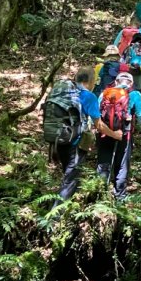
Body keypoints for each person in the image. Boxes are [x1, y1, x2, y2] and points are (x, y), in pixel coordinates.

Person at [52, 66, 101, 206]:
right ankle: (54, 215)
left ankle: (71, 207)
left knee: (69, 175)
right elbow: (99, 125)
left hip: (58, 139)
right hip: (75, 143)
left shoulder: (65, 92)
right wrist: (116, 134)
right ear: (90, 81)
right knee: (70, 181)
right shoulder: (89, 96)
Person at [96, 73, 141, 200]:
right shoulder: (135, 94)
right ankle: (120, 196)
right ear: (131, 83)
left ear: (116, 82)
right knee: (122, 164)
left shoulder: (105, 93)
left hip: (104, 132)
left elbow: (96, 113)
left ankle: (99, 194)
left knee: (103, 161)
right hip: (124, 134)